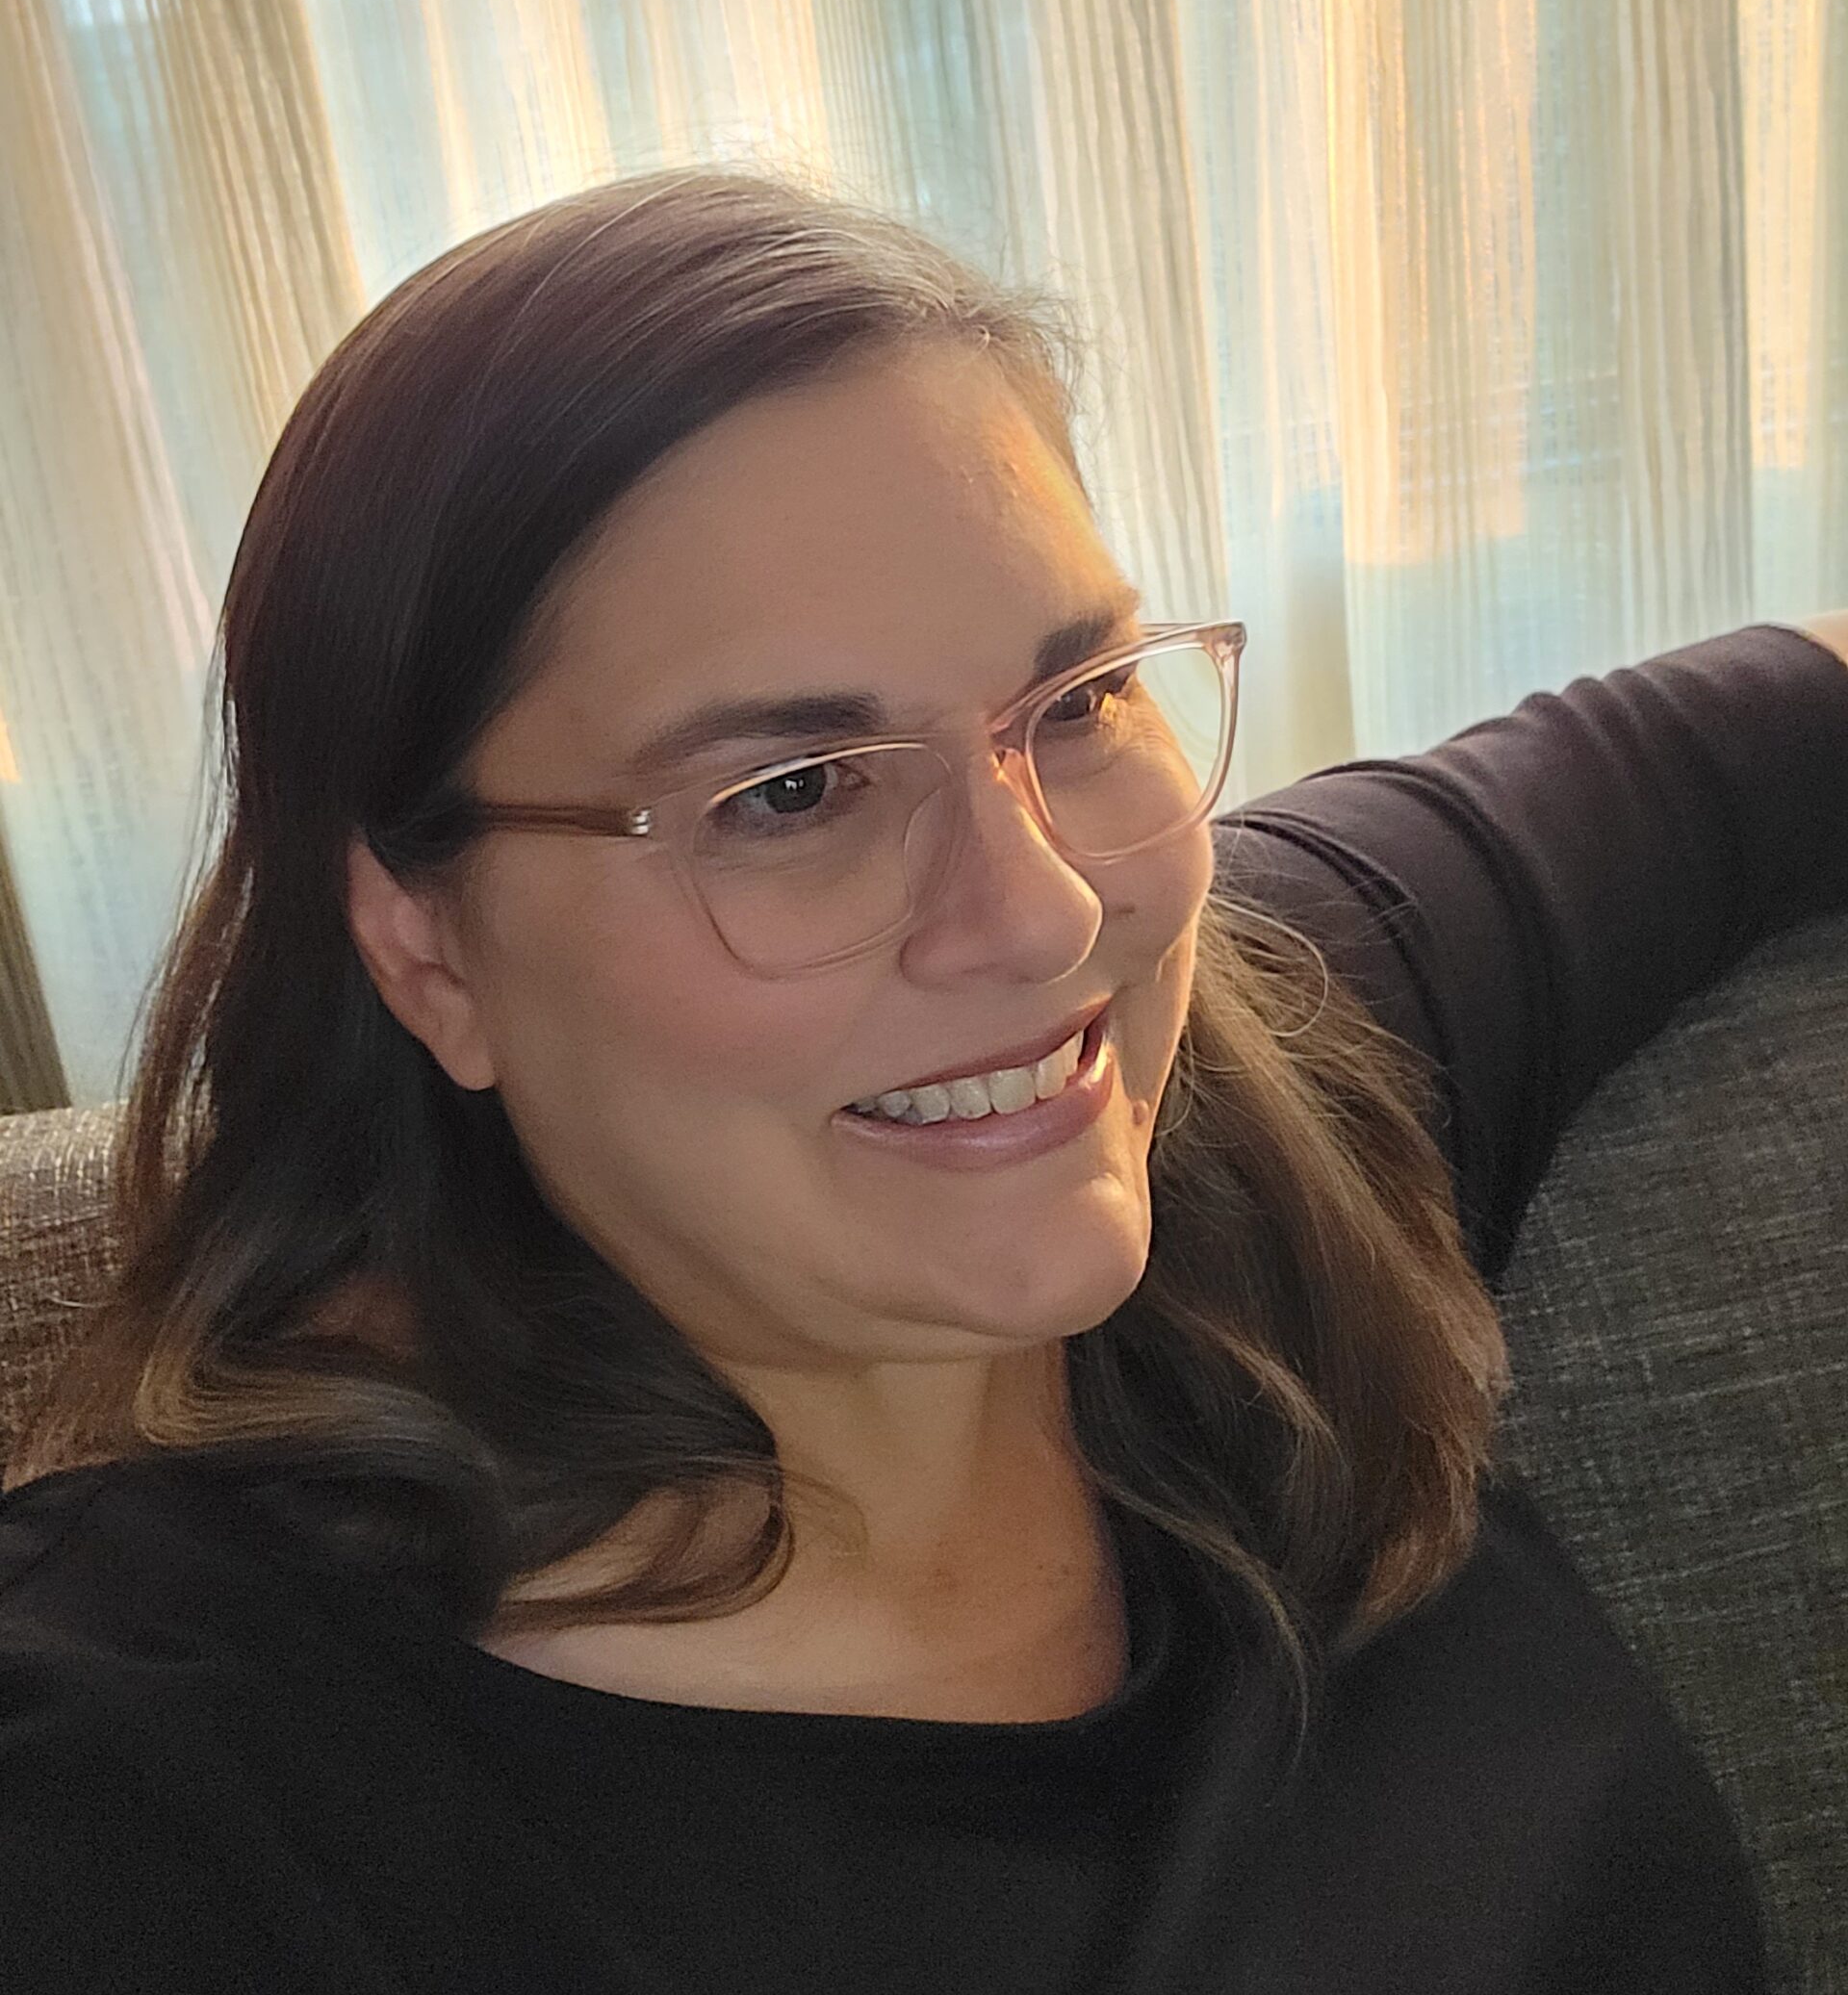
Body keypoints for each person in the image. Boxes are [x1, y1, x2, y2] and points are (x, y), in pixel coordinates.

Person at [1, 167, 1843, 1995]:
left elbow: (1752, 731)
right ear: (424, 948)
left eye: (1080, 702)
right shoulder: (161, 1815)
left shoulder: (1257, 1085)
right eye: (791, 795)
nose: (1041, 919)